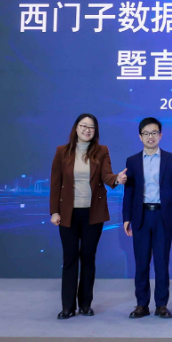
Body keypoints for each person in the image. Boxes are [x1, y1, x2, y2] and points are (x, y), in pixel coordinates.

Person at [49, 113, 127, 319]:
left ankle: (85, 304)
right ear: (76, 128)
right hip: (68, 213)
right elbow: (55, 183)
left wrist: (117, 179)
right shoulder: (62, 152)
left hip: (93, 213)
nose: (87, 130)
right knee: (70, 259)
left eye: (91, 127)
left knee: (88, 258)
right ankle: (67, 307)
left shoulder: (101, 151)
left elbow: (106, 176)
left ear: (95, 131)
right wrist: (54, 211)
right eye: (83, 126)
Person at [122, 117, 172, 319]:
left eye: (154, 133)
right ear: (140, 136)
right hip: (141, 216)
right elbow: (129, 191)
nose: (150, 137)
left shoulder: (171, 159)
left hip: (163, 217)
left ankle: (161, 305)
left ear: (160, 135)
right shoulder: (132, 161)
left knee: (162, 262)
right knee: (141, 263)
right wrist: (127, 217)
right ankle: (141, 305)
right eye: (146, 133)